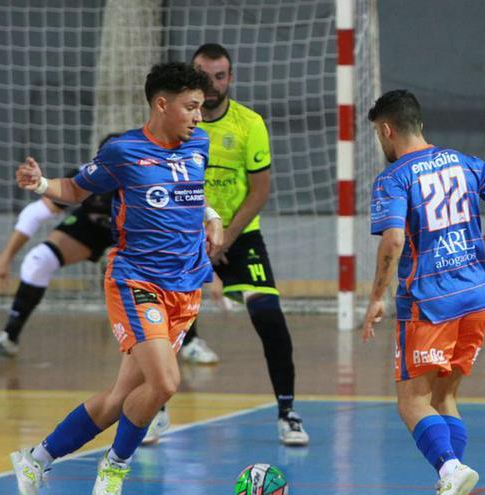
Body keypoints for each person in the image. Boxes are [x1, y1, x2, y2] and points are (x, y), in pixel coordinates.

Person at [9, 62, 222, 495]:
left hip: (186, 287)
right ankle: (114, 468)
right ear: (162, 104)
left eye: (201, 108)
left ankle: (35, 460)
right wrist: (42, 183)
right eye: (191, 107)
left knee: (119, 398)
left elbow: (194, 193)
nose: (199, 117)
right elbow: (74, 189)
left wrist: (212, 216)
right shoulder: (124, 152)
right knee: (165, 383)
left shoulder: (198, 143)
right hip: (137, 281)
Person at [360, 90, 485, 495]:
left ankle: (450, 469)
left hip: (429, 302)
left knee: (412, 402)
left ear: (386, 130)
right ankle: (454, 479)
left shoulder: (395, 177)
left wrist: (376, 297)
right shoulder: (467, 163)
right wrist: (478, 249)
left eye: (378, 136)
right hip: (474, 296)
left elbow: (394, 240)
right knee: (443, 397)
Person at [0, 138, 221, 366]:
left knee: (166, 272)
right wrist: (3, 260)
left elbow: (186, 220)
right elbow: (35, 213)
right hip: (94, 227)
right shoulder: (88, 177)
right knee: (38, 261)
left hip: (138, 234)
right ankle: (8, 337)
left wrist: (212, 262)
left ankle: (190, 342)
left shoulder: (152, 178)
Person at [190, 43, 309, 446]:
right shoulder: (178, 122)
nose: (211, 84)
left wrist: (225, 238)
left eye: (219, 76)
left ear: (230, 78)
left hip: (239, 234)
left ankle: (287, 412)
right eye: (203, 75)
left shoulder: (248, 124)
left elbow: (259, 192)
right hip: (187, 232)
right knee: (163, 325)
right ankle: (154, 411)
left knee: (269, 314)